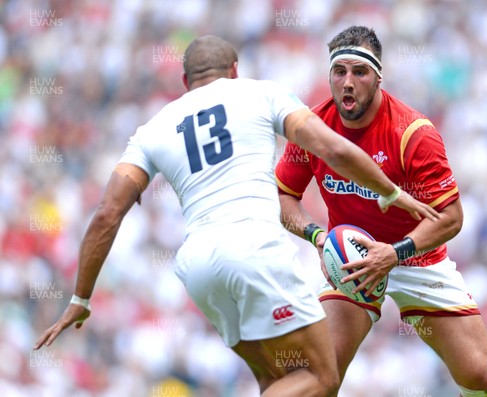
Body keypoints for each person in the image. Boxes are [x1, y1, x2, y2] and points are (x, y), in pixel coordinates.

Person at [33, 35, 438, 397]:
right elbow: (334, 150)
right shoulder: (258, 93)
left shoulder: (151, 130)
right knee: (322, 376)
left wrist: (80, 298)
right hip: (254, 251)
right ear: (234, 71)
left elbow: (106, 214)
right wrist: (391, 192)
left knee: (279, 380)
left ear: (184, 82)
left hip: (198, 269)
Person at [275, 26, 487, 397]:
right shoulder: (311, 128)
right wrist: (317, 236)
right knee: (316, 376)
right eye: (339, 72)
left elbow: (451, 218)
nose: (348, 82)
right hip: (353, 263)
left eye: (359, 72)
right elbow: (284, 198)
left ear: (378, 77)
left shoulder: (413, 133)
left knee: (481, 376)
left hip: (414, 258)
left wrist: (394, 254)